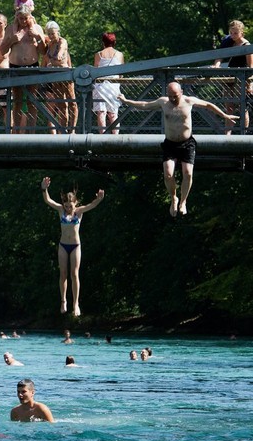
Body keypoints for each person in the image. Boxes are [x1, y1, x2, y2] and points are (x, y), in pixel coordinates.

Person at [118, 82, 237, 216]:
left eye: (175, 96)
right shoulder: (163, 102)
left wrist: (225, 116)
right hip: (170, 144)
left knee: (188, 173)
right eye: (170, 96)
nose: (173, 99)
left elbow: (209, 105)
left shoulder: (189, 101)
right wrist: (126, 101)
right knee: (168, 174)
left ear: (181, 92)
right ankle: (174, 198)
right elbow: (145, 105)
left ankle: (183, 202)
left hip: (187, 143)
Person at [41, 177, 105, 315]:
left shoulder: (79, 212)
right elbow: (48, 200)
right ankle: (63, 301)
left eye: (71, 206)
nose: (68, 208)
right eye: (66, 206)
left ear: (75, 203)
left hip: (75, 246)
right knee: (63, 274)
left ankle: (76, 304)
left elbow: (92, 205)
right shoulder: (60, 211)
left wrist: (99, 199)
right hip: (63, 246)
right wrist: (44, 188)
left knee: (74, 274)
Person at [0, 6, 46, 133]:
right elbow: (2, 51)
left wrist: (38, 37)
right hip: (15, 66)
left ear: (30, 17)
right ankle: (16, 131)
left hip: (32, 66)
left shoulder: (37, 28)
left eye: (25, 18)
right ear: (16, 18)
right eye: (20, 18)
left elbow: (43, 51)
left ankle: (31, 131)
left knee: (32, 100)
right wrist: (11, 40)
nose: (23, 21)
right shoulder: (10, 29)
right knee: (18, 101)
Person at [213, 20, 252, 134]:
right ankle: (227, 135)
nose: (233, 35)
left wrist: (250, 84)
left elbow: (251, 67)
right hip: (228, 77)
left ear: (242, 33)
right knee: (229, 107)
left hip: (241, 79)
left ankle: (243, 134)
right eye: (231, 32)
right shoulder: (228, 42)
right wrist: (217, 65)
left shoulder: (247, 46)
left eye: (236, 33)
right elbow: (220, 55)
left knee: (242, 107)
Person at [42, 21, 77, 134]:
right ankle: (63, 131)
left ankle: (72, 130)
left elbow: (61, 53)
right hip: (55, 77)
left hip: (66, 76)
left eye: (53, 33)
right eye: (49, 34)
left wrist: (58, 56)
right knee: (61, 104)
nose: (51, 36)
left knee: (72, 103)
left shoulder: (63, 41)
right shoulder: (50, 45)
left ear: (58, 31)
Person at [92, 32, 124, 134]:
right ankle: (115, 138)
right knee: (113, 114)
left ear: (103, 42)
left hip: (100, 87)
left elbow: (95, 72)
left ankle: (102, 137)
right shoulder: (119, 55)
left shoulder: (98, 55)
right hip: (113, 86)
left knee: (101, 113)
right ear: (114, 42)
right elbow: (121, 74)